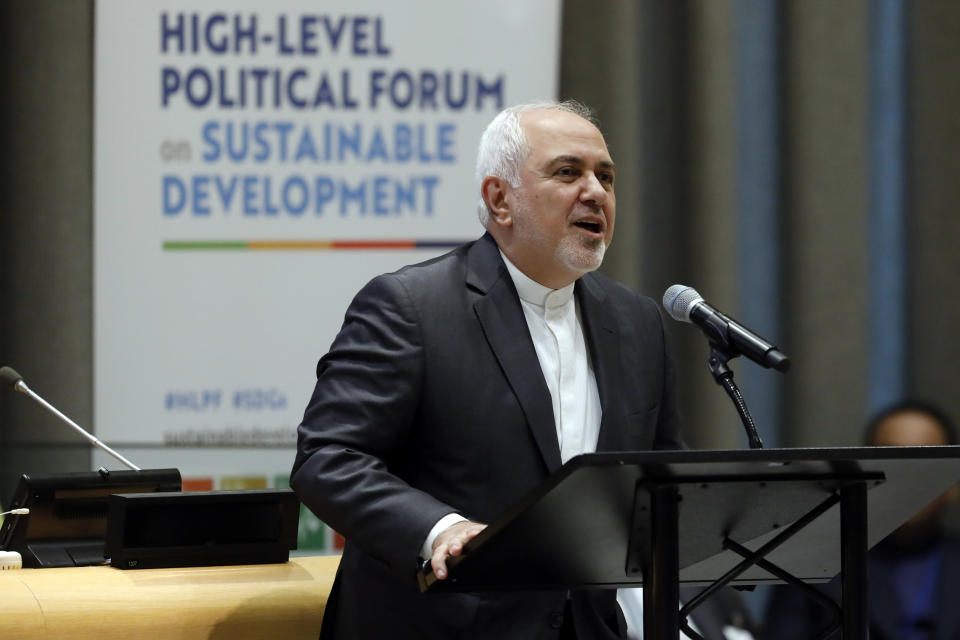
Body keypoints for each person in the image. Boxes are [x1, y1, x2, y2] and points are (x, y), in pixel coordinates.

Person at [291, 100, 684, 639]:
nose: (595, 192)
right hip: (443, 624)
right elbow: (329, 458)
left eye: (606, 177)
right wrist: (440, 530)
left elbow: (662, 477)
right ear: (500, 200)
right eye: (568, 172)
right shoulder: (412, 307)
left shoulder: (638, 322)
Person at [763, 400, 960, 640]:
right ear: (862, 472)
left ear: (953, 483)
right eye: (892, 457)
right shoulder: (811, 568)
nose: (908, 475)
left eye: (924, 458)